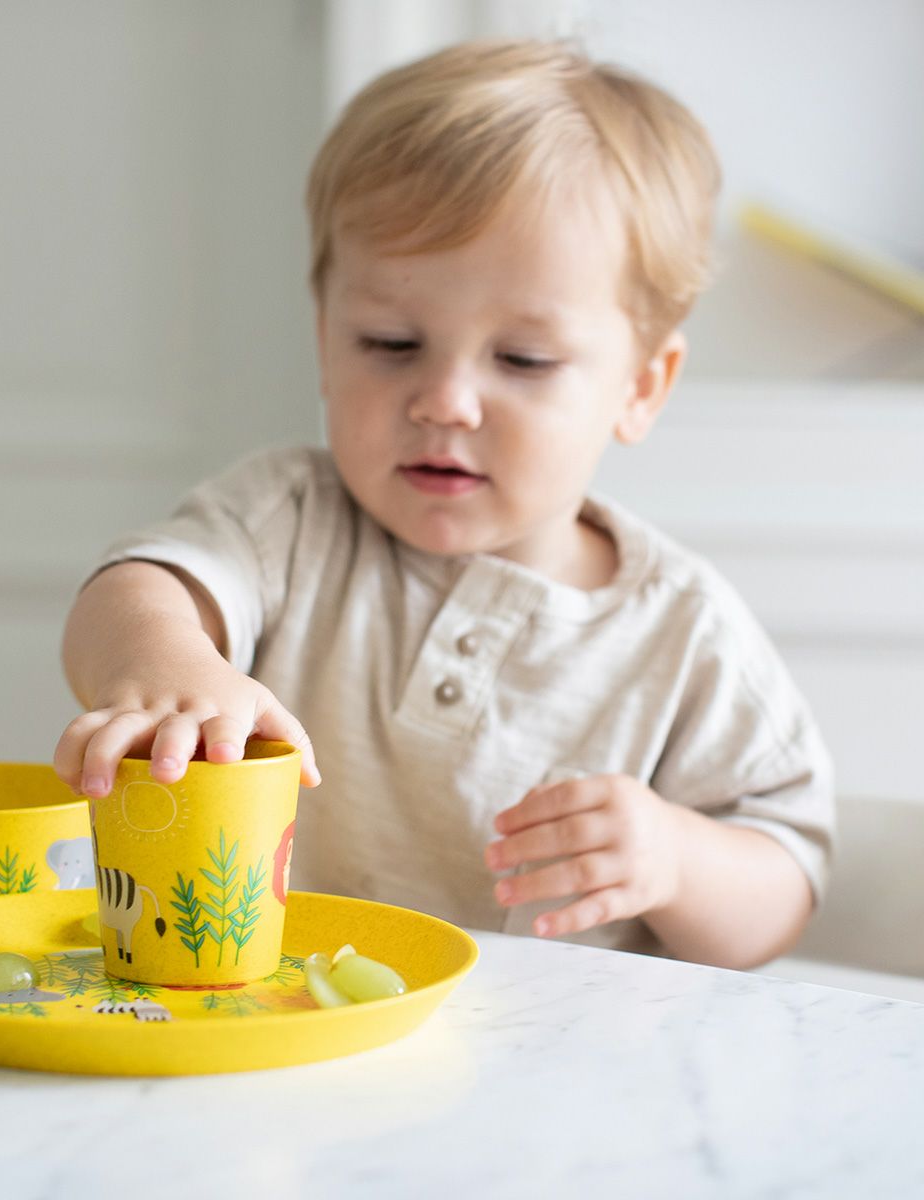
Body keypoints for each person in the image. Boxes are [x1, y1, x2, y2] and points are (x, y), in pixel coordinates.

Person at [54, 40, 834, 970]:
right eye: (391, 343)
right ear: (324, 339)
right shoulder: (289, 518)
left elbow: (786, 881)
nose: (445, 401)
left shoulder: (683, 632)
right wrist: (167, 664)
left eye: (523, 360)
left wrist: (677, 858)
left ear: (641, 387)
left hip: (553, 1049)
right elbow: (139, 588)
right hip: (272, 1025)